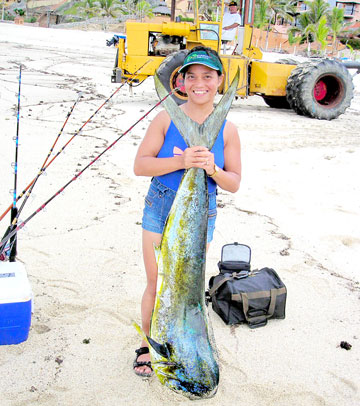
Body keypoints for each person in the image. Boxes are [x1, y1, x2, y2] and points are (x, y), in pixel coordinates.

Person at [132, 46, 242, 377]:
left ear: (219, 81)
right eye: (191, 76)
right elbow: (141, 165)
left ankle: (178, 341)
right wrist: (182, 161)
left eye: (208, 76)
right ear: (180, 80)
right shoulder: (165, 118)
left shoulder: (229, 129)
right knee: (158, 282)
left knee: (187, 285)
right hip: (161, 205)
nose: (199, 83)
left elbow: (234, 182)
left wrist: (213, 169)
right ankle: (147, 346)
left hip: (201, 211)